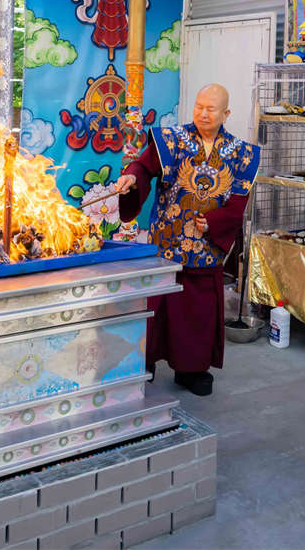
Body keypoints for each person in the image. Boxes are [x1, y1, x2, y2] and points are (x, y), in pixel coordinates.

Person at [116, 84, 260, 396]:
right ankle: (144, 364)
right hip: (167, 241)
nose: (203, 114)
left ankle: (191, 370)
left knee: (197, 312)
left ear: (226, 113)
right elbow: (143, 167)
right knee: (154, 306)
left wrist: (215, 222)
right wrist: (131, 177)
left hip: (205, 249)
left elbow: (239, 200)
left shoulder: (240, 153)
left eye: (211, 109)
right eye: (198, 106)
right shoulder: (171, 140)